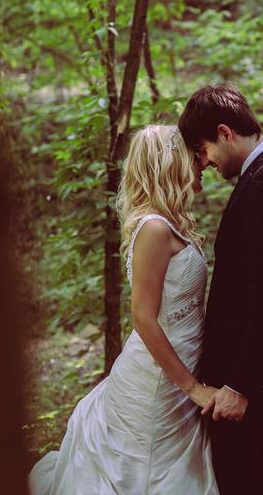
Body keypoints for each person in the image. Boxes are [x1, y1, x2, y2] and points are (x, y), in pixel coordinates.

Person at [28, 124, 220, 494]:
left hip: (180, 366)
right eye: (192, 155)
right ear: (169, 163)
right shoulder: (154, 229)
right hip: (160, 381)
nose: (201, 162)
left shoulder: (172, 225)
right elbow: (143, 318)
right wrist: (193, 388)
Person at [179, 84, 263, 495]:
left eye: (203, 151)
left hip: (249, 379)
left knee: (246, 482)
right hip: (261, 373)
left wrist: (241, 385)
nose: (204, 164)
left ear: (225, 132)